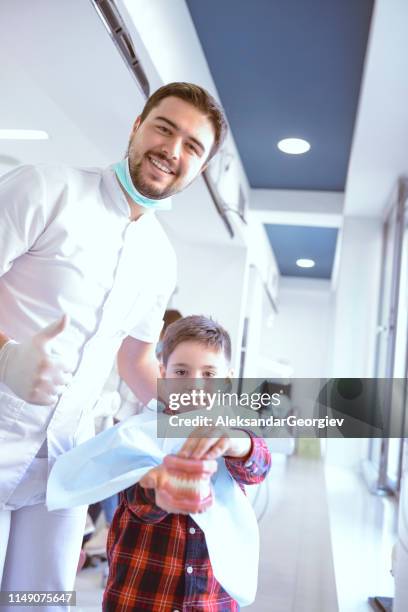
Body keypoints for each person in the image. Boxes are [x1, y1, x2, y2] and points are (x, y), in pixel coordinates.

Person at [0, 83, 228, 608]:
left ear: (200, 168)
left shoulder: (160, 258)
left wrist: (208, 416)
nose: (173, 150)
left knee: (41, 601)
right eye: (164, 129)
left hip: (63, 468)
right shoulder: (45, 189)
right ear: (136, 127)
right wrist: (5, 357)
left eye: (192, 146)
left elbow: (136, 362)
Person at [104, 315, 271, 611]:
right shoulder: (139, 432)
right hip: (142, 595)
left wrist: (236, 442)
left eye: (209, 374)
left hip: (211, 596)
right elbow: (138, 501)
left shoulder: (233, 427)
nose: (195, 385)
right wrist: (164, 484)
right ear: (163, 373)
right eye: (181, 371)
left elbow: (258, 465)